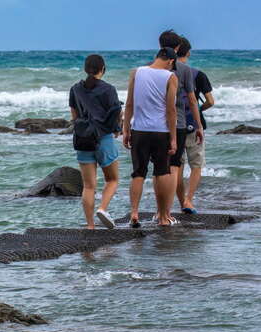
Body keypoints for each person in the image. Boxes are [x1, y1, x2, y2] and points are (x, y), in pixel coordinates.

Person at [122, 47, 179, 227]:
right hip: (160, 131)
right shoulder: (170, 77)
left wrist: (125, 129)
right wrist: (173, 138)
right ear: (170, 61)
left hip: (139, 130)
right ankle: (163, 217)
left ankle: (134, 214)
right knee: (161, 172)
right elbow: (171, 110)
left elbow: (129, 103)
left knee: (138, 173)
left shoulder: (136, 72)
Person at [69, 54, 122, 230]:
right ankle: (102, 208)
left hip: (83, 139)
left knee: (89, 186)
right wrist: (117, 130)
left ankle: (90, 225)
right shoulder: (109, 89)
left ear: (85, 69)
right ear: (103, 69)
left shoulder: (75, 89)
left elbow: (74, 116)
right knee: (112, 179)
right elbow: (116, 114)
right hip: (103, 138)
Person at [158, 30, 204, 216]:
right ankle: (175, 207)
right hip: (181, 125)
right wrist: (200, 125)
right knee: (177, 167)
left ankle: (162, 210)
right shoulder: (186, 71)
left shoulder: (147, 69)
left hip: (155, 125)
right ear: (178, 48)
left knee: (161, 169)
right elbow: (194, 101)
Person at [175, 39, 215, 214]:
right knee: (196, 165)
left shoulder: (166, 72)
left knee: (177, 165)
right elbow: (210, 101)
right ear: (188, 53)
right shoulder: (198, 74)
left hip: (172, 124)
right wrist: (199, 109)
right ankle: (188, 200)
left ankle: (179, 200)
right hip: (193, 124)